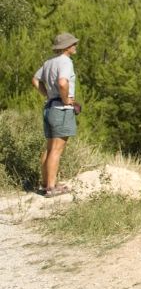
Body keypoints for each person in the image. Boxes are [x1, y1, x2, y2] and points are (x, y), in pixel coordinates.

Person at [32, 32, 79, 197]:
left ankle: (46, 184)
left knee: (50, 148)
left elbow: (35, 80)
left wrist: (47, 95)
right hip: (61, 110)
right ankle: (51, 188)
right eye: (73, 44)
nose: (75, 46)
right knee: (57, 150)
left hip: (50, 108)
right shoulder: (66, 62)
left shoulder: (48, 62)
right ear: (66, 47)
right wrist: (66, 99)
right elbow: (62, 82)